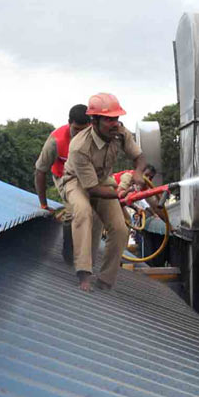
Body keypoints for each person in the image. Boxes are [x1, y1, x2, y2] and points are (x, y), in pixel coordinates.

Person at [62, 92, 149, 291]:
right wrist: (120, 194)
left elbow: (140, 157)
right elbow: (91, 189)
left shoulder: (120, 133)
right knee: (83, 212)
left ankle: (105, 280)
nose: (114, 124)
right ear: (94, 121)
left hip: (102, 182)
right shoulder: (79, 147)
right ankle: (84, 275)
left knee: (120, 228)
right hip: (77, 182)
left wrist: (137, 172)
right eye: (109, 120)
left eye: (116, 118)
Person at [34, 104, 100, 263]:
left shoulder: (96, 138)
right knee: (73, 211)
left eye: (84, 130)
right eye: (76, 129)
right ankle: (69, 255)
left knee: (96, 213)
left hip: (85, 176)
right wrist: (43, 204)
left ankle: (89, 255)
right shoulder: (55, 141)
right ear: (69, 123)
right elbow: (40, 171)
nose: (79, 134)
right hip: (63, 177)